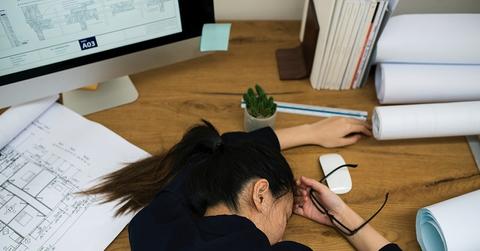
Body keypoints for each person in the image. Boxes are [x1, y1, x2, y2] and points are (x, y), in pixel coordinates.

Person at [84, 117, 401, 251]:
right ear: (261, 194)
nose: (285, 227)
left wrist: (310, 132)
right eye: (287, 214)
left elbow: (210, 152)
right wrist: (343, 217)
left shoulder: (153, 225)